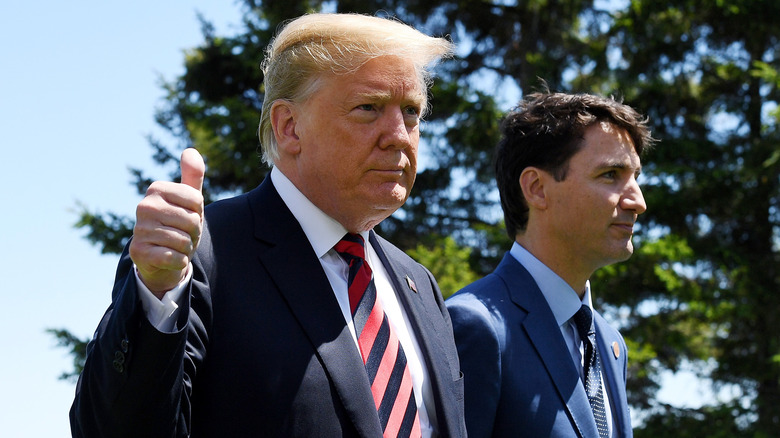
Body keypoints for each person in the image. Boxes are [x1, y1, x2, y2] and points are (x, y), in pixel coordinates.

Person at [70, 13, 466, 438]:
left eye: (411, 112)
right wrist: (157, 293)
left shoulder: (418, 285)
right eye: (368, 107)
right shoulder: (202, 255)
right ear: (289, 126)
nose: (400, 136)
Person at [446, 91, 655, 438]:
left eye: (635, 177)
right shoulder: (476, 327)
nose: (638, 201)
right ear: (537, 188)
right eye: (610, 175)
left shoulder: (610, 343)